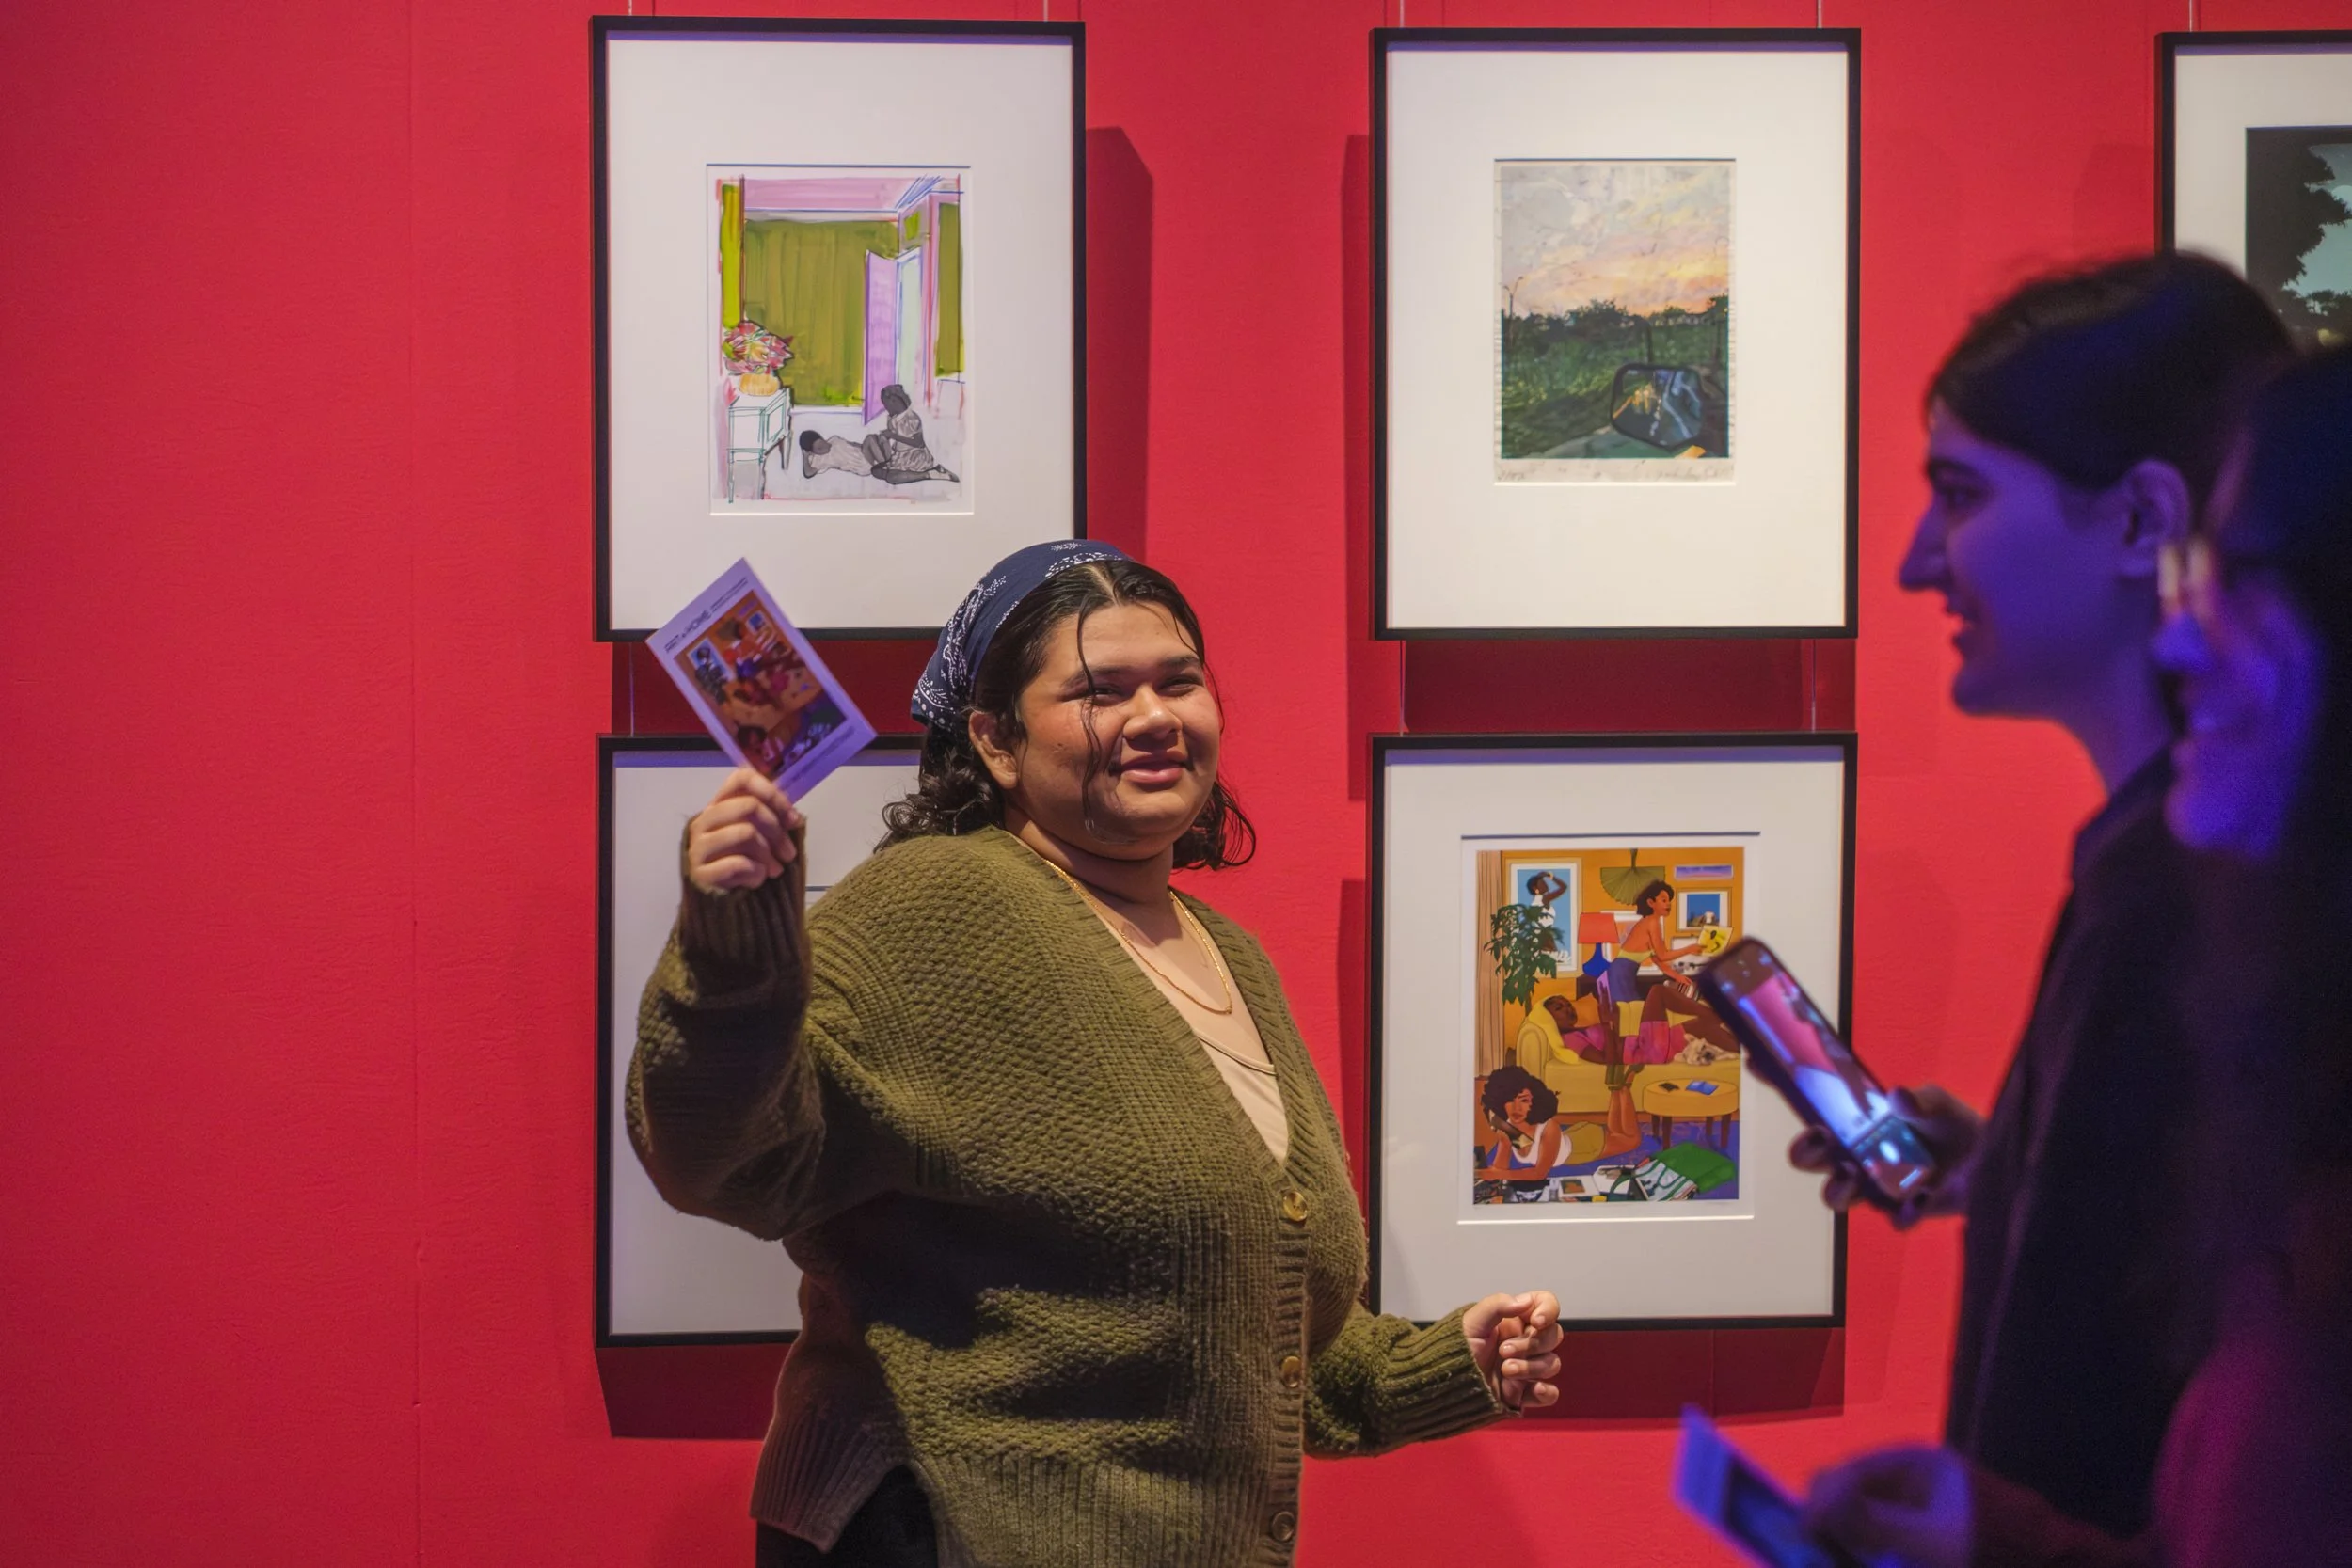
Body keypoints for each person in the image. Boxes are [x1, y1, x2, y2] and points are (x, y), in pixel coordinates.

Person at [629, 541, 1564, 1568]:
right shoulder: (937, 904)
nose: (1156, 715)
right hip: (939, 1532)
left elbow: (1235, 1316)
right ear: (991, 738)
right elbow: (727, 1158)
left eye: (1179, 680)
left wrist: (1442, 1359)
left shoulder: (1227, 954)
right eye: (1099, 690)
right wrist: (731, 951)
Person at [1804, 347, 2352, 1568]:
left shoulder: (2166, 902)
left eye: (2229, 577)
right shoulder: (2199, 933)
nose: (2183, 636)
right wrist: (2003, 1165)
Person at [1479, 1063, 1565, 1178]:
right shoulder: (1507, 1128)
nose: (1517, 1108)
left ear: (1534, 1101)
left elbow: (1539, 1174)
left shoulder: (1549, 1127)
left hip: (1580, 1150)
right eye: (1509, 1100)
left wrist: (1496, 1174)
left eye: (1524, 1101)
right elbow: (1498, 1169)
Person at [860, 383, 958, 484]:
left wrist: (893, 436)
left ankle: (929, 474)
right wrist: (885, 437)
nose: (885, 407)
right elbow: (893, 435)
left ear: (894, 401)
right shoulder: (893, 418)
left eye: (886, 404)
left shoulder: (912, 418)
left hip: (915, 458)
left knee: (892, 478)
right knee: (875, 471)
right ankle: (892, 470)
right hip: (899, 456)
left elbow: (919, 443)